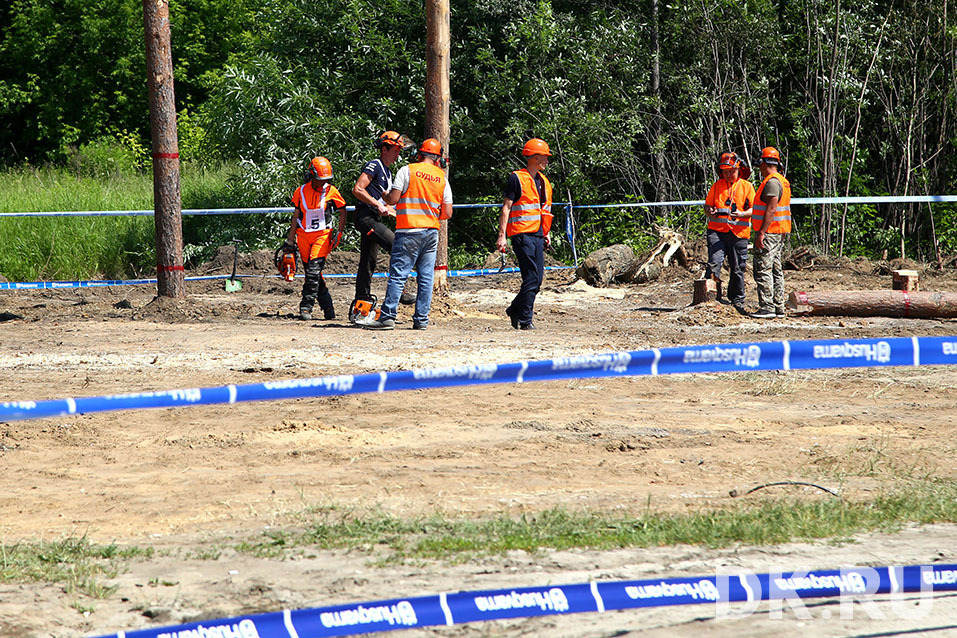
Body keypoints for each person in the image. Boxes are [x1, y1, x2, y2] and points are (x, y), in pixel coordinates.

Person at [362, 138, 452, 330]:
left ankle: (387, 317)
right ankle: (421, 320)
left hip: (408, 230)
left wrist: (384, 195)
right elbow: (447, 213)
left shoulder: (407, 170)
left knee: (398, 275)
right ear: (437, 158)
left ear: (419, 154)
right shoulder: (442, 178)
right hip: (431, 232)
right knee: (426, 278)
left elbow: (393, 200)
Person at [350, 130, 413, 322]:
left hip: (373, 218)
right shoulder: (375, 165)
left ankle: (361, 303)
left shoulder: (388, 173)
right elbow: (358, 189)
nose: (397, 155)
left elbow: (386, 203)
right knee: (397, 245)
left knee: (368, 262)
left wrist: (399, 214)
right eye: (395, 151)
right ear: (384, 149)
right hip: (366, 217)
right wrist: (377, 205)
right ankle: (400, 291)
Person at [496, 138, 553, 330]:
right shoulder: (517, 178)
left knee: (537, 280)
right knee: (531, 278)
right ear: (535, 157)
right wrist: (502, 236)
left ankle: (514, 309)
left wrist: (546, 233)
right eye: (545, 157)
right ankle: (526, 319)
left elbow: (543, 210)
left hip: (538, 234)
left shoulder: (543, 181)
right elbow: (506, 208)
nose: (547, 161)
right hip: (522, 234)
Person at [281, 156, 347, 321]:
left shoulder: (331, 191)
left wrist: (339, 232)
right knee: (313, 274)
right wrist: (290, 240)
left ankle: (306, 306)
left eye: (326, 179)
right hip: (303, 236)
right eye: (320, 179)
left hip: (322, 235)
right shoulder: (300, 191)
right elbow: (296, 216)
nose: (323, 183)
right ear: (311, 175)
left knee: (312, 272)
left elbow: (343, 210)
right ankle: (328, 307)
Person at [703, 151, 755, 311]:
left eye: (731, 171)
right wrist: (709, 211)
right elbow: (707, 205)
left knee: (738, 267)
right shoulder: (717, 185)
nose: (728, 174)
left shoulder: (747, 187)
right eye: (725, 171)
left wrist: (742, 214)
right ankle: (710, 296)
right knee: (714, 263)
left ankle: (737, 299)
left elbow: (755, 209)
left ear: (739, 170)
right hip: (717, 232)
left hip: (739, 233)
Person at [750, 146, 792, 319]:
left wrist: (761, 232)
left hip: (770, 232)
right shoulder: (782, 181)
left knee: (763, 268)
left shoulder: (772, 182)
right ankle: (778, 306)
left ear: (763, 162)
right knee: (775, 269)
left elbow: (771, 209)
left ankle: (767, 307)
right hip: (778, 231)